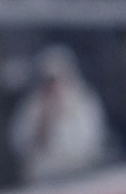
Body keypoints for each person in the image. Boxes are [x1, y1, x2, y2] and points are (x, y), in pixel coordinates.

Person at [8, 45, 115, 184]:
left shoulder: (84, 101)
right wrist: (44, 120)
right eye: (48, 79)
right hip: (43, 177)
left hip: (77, 175)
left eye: (56, 78)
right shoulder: (33, 105)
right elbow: (20, 143)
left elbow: (91, 141)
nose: (53, 85)